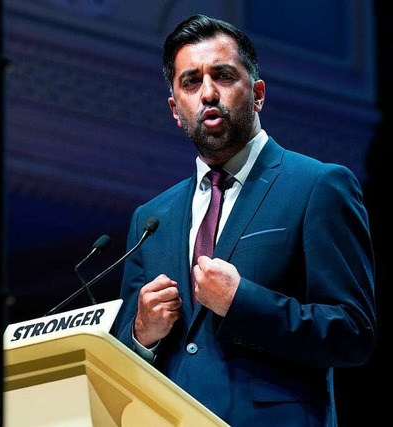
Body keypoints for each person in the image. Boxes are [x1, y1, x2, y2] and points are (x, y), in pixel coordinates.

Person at [112, 14, 376, 427]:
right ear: (175, 110)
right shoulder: (152, 218)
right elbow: (121, 361)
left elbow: (352, 333)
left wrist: (242, 302)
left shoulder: (318, 185)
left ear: (257, 94)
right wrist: (141, 333)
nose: (208, 93)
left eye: (223, 76)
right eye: (191, 82)